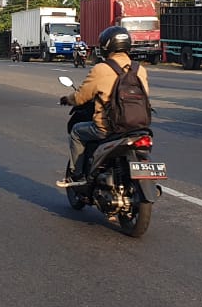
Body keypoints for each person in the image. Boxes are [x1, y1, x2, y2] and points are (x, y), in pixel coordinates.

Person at [57, 25, 150, 186]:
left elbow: (81, 97)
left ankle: (76, 175)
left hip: (107, 128)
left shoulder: (101, 69)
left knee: (76, 132)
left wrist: (67, 99)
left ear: (106, 46)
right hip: (138, 128)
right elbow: (146, 96)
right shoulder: (139, 69)